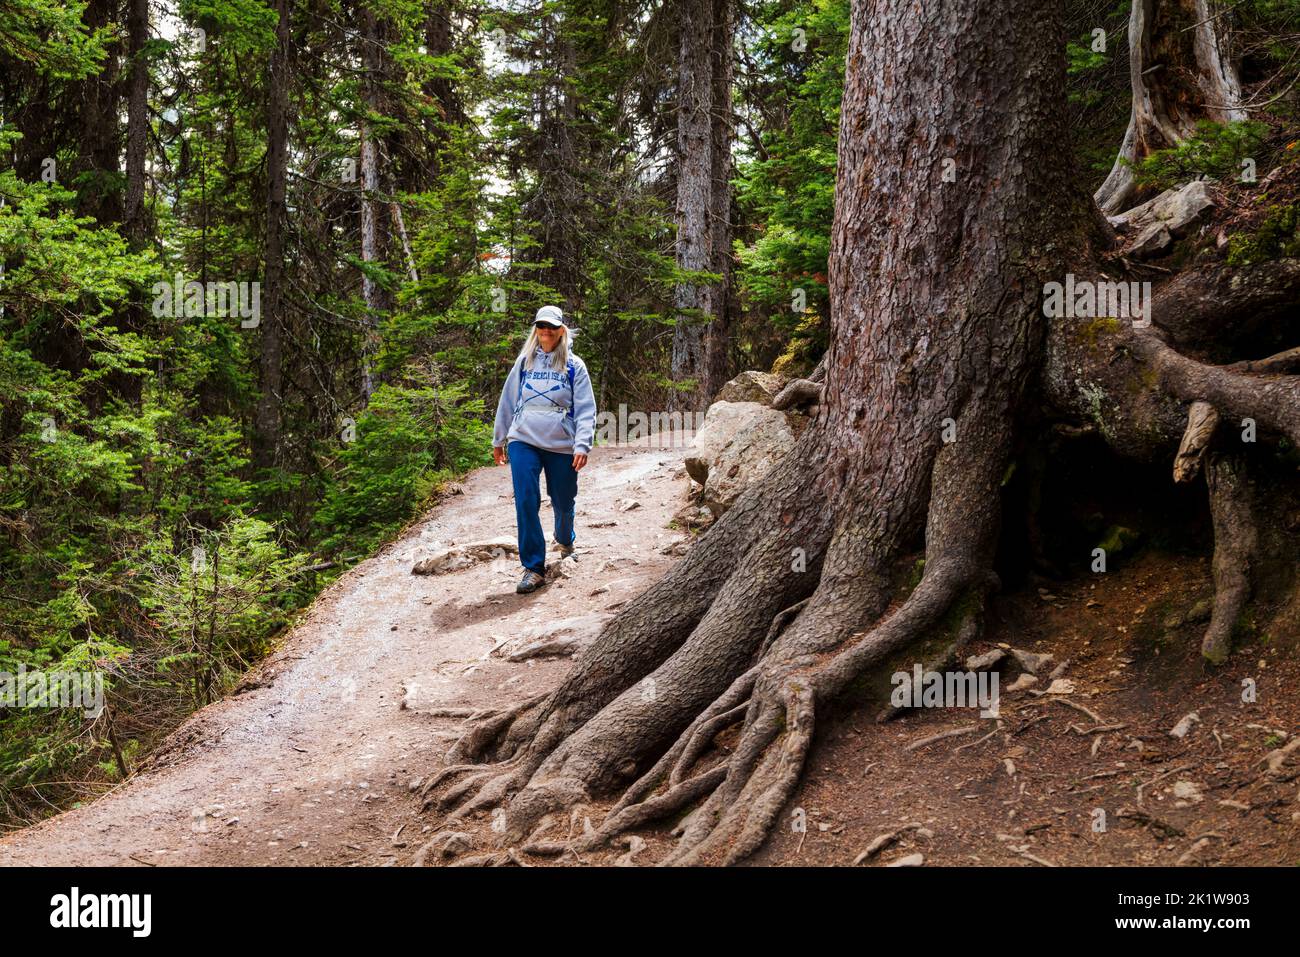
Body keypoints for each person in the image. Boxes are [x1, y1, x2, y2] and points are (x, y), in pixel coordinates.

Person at [491, 305, 598, 594]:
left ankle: (565, 540)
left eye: (551, 327)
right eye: (541, 326)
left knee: (563, 501)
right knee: (526, 498)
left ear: (561, 330)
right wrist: (499, 439)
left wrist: (582, 444)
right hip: (523, 438)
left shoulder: (575, 366)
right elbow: (508, 400)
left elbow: (587, 409)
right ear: (536, 330)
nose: (546, 331)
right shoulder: (524, 362)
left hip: (561, 443)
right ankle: (534, 568)